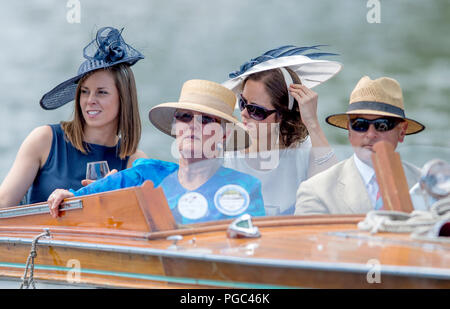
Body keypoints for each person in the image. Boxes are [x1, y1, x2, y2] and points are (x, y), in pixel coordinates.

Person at [47, 79, 265, 225]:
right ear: (175, 126)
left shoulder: (244, 186)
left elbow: (251, 249)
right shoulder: (145, 174)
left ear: (224, 135)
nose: (193, 126)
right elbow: (79, 198)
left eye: (207, 120)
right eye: (185, 117)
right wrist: (66, 196)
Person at [0, 27, 147, 207]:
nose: (90, 100)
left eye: (101, 92)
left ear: (124, 99)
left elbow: (143, 223)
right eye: (84, 92)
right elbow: (3, 204)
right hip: (40, 235)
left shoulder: (134, 160)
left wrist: (114, 200)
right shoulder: (45, 139)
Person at [222, 45, 342, 215]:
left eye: (256, 110)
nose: (243, 113)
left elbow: (334, 193)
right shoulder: (225, 149)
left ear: (282, 115)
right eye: (243, 103)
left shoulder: (305, 149)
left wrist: (312, 123)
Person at [295, 76, 425, 215]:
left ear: (402, 131)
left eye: (382, 125)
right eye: (360, 125)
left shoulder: (429, 186)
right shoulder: (316, 190)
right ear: (349, 130)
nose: (370, 134)